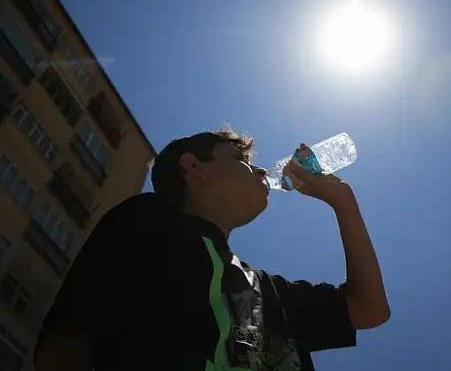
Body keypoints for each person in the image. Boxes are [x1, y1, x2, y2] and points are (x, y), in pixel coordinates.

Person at [34, 128, 390, 370]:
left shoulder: (262, 292)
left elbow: (369, 309)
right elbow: (69, 340)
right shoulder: (150, 220)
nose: (262, 171)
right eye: (243, 160)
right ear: (193, 166)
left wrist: (344, 203)